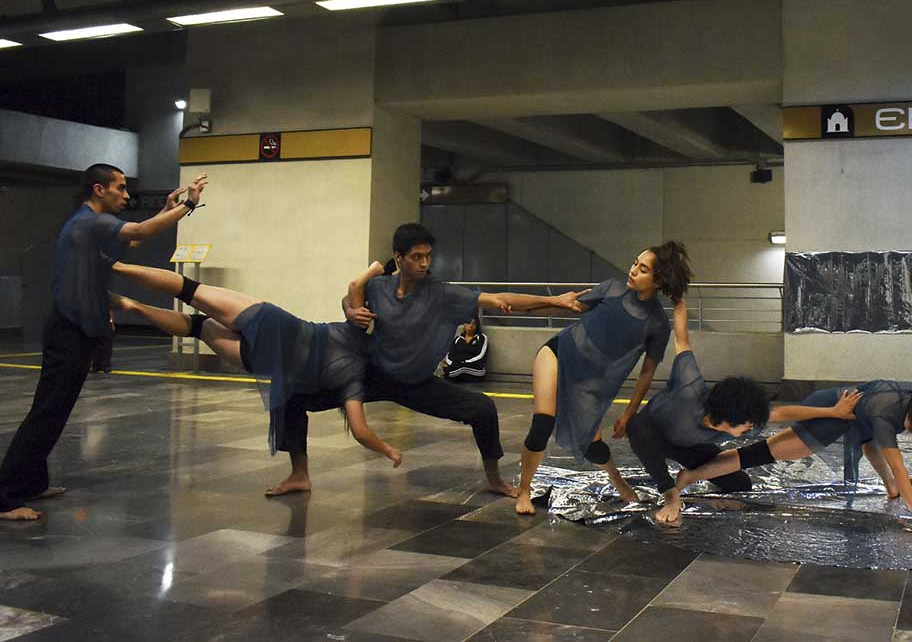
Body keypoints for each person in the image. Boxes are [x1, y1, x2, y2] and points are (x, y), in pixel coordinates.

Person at [265, 223, 585, 499]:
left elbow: (500, 300)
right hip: (372, 373)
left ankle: (494, 479)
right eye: (416, 256)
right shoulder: (379, 288)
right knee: (291, 394)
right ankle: (299, 475)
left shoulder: (440, 294)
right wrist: (350, 309)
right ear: (398, 257)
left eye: (427, 256)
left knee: (483, 409)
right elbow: (351, 297)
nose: (423, 263)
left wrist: (552, 301)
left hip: (416, 382)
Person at [0, 165, 207, 522]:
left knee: (53, 412)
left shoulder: (91, 226)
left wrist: (166, 210)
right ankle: (4, 497)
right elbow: (140, 230)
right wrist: (188, 204)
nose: (126, 195)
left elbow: (136, 237)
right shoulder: (89, 222)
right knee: (47, 413)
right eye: (121, 188)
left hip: (75, 330)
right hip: (69, 331)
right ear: (99, 189)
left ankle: (32, 481)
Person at [105, 273, 400, 468]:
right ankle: (135, 306)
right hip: (263, 358)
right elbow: (360, 431)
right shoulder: (354, 377)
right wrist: (387, 449)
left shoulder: (359, 330)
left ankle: (118, 267)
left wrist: (379, 268)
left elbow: (354, 286)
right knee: (197, 326)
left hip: (272, 322)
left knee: (190, 290)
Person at [626, 298, 863, 523]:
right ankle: (670, 493)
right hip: (652, 435)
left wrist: (833, 412)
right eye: (748, 424)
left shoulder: (739, 419)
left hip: (688, 446)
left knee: (740, 483)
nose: (752, 428)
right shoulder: (689, 388)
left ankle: (684, 487)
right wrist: (677, 299)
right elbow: (682, 340)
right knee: (636, 426)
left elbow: (782, 413)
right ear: (731, 418)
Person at [516, 242, 691, 516]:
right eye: (635, 263)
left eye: (642, 269)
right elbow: (567, 307)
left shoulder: (656, 323)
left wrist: (629, 413)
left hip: (587, 377)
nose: (633, 270)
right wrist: (527, 307)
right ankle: (524, 491)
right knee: (543, 422)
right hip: (558, 353)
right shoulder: (611, 288)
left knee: (591, 442)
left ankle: (616, 479)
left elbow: (647, 371)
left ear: (658, 280)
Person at [675, 379, 912, 522]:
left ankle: (893, 492)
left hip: (855, 416)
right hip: (830, 411)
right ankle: (691, 475)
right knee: (763, 453)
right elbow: (898, 465)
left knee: (873, 450)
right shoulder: (887, 415)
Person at [442, 316, 489, 381]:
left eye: (474, 323)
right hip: (457, 366)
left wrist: (464, 362)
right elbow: (449, 355)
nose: (471, 326)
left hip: (475, 368)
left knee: (459, 369)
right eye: (468, 323)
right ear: (464, 324)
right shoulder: (458, 339)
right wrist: (452, 363)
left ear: (477, 325)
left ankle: (447, 375)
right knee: (456, 369)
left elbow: (480, 356)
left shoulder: (482, 338)